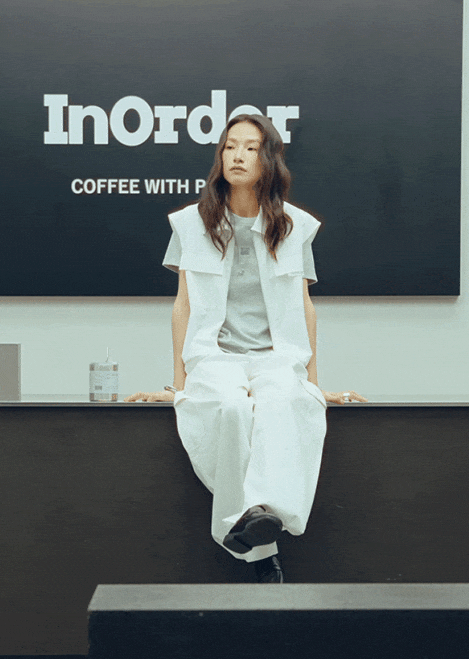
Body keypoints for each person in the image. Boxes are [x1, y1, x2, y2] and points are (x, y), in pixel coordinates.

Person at [125, 113, 367, 582]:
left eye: (250, 147)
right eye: (230, 146)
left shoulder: (295, 226)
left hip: (276, 357)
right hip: (214, 357)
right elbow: (182, 307)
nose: (237, 155)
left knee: (281, 400)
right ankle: (260, 545)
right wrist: (179, 387)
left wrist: (312, 385)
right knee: (232, 409)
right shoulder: (190, 224)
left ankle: (246, 532)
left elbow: (305, 307)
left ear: (268, 159)